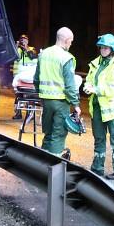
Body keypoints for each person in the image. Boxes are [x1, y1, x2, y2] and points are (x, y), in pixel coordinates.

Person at [83, 33, 114, 180]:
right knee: (99, 139)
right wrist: (87, 86)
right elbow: (90, 79)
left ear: (112, 49)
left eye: (105, 47)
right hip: (97, 108)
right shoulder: (96, 63)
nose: (102, 50)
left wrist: (95, 89)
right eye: (101, 47)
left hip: (112, 110)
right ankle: (97, 168)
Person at [33, 27, 81, 158]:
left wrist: (41, 94)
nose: (71, 44)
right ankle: (53, 168)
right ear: (66, 40)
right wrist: (76, 104)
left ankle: (42, 161)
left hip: (46, 101)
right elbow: (70, 85)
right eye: (71, 41)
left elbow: (36, 79)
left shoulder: (43, 54)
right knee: (58, 134)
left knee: (48, 132)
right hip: (61, 102)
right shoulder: (66, 58)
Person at [13, 34, 38, 119]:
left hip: (29, 76)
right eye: (22, 40)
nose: (23, 41)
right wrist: (16, 46)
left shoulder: (32, 49)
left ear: (28, 41)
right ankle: (18, 113)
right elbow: (13, 56)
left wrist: (26, 48)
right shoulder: (18, 50)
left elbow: (33, 57)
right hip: (18, 76)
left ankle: (30, 114)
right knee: (18, 95)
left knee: (30, 95)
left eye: (25, 40)